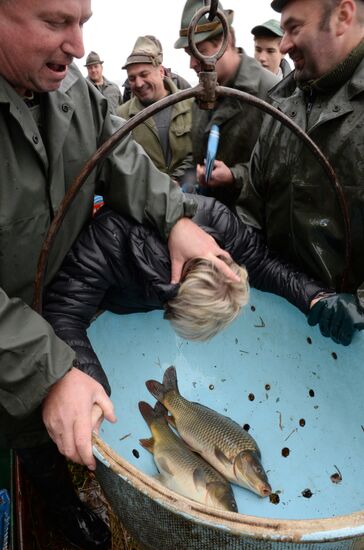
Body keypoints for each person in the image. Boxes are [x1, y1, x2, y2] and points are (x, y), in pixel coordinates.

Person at [0, 0, 238, 547]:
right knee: (25, 435)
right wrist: (47, 369)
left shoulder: (71, 89)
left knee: (60, 420)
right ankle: (60, 506)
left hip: (62, 299)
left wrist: (175, 217)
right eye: (56, 22)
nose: (79, 46)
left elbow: (116, 153)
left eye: (82, 21)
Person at [43, 194, 337, 397]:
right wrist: (92, 385)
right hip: (104, 296)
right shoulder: (109, 239)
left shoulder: (219, 225)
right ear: (171, 297)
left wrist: (315, 297)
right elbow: (64, 313)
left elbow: (263, 264)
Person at [237, 0, 364, 346]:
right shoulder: (280, 104)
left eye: (294, 28)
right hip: (279, 318)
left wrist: (361, 303)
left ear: (343, 16)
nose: (284, 45)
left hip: (350, 343)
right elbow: (251, 207)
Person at [175, 0, 279, 209]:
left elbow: (281, 169)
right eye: (189, 54)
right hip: (209, 217)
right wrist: (179, 182)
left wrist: (234, 175)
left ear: (227, 40)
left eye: (199, 51)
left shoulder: (271, 92)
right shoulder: (201, 95)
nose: (192, 64)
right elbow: (196, 156)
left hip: (254, 226)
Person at [117, 36, 193, 182]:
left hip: (190, 193)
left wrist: (177, 181)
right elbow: (123, 165)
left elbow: (198, 153)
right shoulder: (122, 116)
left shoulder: (190, 104)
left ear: (161, 72)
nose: (138, 83)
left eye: (144, 74)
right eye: (132, 78)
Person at [122, 35, 191, 103]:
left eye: (144, 75)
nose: (139, 84)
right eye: (132, 78)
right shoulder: (129, 85)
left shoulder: (179, 82)